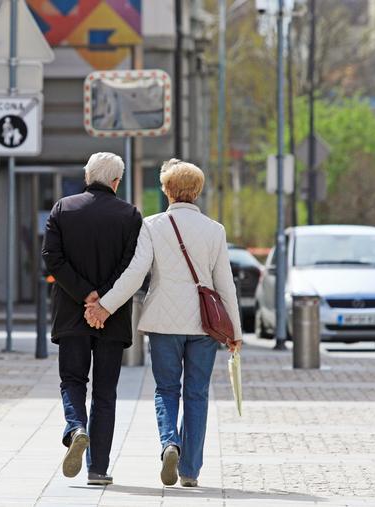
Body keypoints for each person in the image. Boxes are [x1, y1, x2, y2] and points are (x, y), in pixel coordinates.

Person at [85, 159, 242, 488]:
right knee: (197, 394)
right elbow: (225, 283)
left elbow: (135, 274)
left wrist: (106, 307)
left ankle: (169, 442)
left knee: (166, 390)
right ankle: (189, 471)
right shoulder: (214, 230)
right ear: (197, 191)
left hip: (162, 322)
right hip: (204, 325)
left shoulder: (153, 225)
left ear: (167, 189)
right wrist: (235, 333)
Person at [41, 152, 142, 486]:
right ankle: (98, 469)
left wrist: (86, 295)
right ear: (116, 181)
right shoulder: (130, 215)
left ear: (88, 176)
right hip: (112, 318)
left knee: (72, 380)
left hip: (71, 312)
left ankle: (76, 427)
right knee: (105, 394)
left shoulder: (62, 209)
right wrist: (104, 302)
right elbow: (132, 266)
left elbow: (51, 258)